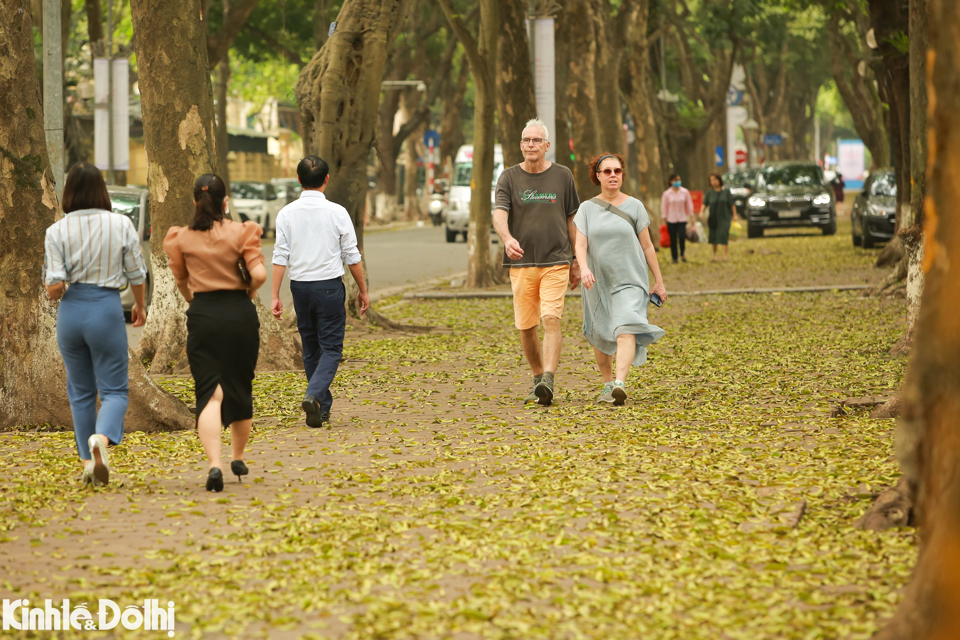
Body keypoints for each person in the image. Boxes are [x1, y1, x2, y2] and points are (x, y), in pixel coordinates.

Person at [43, 162, 149, 487]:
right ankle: (101, 438)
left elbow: (52, 287)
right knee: (115, 389)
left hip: (71, 311)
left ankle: (89, 462)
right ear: (102, 190)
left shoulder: (56, 230)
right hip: (105, 307)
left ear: (68, 193)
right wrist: (140, 306)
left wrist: (60, 287)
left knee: (80, 392)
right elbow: (137, 273)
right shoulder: (121, 224)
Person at [163, 174, 266, 492]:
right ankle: (237, 456)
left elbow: (181, 280)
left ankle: (214, 465)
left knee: (210, 392)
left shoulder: (181, 237)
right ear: (225, 202)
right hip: (239, 314)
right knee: (239, 386)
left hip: (204, 316)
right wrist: (246, 293)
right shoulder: (241, 231)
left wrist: (196, 302)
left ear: (196, 201)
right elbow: (260, 274)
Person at [270, 156, 369, 428]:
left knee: (311, 349)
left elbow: (281, 256)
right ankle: (313, 395)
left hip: (300, 288)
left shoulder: (286, 213)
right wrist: (362, 290)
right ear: (326, 179)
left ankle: (321, 407)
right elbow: (352, 255)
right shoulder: (337, 212)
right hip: (328, 288)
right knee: (332, 349)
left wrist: (275, 295)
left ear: (299, 180)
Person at [493, 117, 581, 406]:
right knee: (527, 326)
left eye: (536, 140)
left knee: (551, 318)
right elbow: (499, 214)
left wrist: (577, 259)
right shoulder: (508, 177)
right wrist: (507, 239)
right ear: (521, 145)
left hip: (556, 260)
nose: (531, 145)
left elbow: (572, 219)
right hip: (521, 264)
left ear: (547, 145)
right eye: (526, 140)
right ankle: (537, 379)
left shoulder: (563, 175)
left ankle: (549, 380)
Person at [575, 154, 667, 405]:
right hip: (597, 281)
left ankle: (619, 383)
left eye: (617, 171)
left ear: (622, 174)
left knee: (626, 326)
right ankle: (607, 384)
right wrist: (583, 268)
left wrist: (658, 280)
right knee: (600, 330)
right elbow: (580, 244)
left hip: (630, 279)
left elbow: (647, 246)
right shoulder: (586, 208)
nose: (613, 175)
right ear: (598, 176)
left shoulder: (635, 206)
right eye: (607, 171)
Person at [700, 173, 737, 262]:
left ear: (719, 180)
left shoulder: (726, 192)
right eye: (711, 180)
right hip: (713, 218)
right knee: (713, 237)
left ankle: (725, 256)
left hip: (724, 217)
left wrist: (734, 215)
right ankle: (715, 256)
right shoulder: (709, 193)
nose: (713, 182)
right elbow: (704, 204)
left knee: (724, 235)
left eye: (714, 179)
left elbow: (732, 204)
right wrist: (701, 212)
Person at [660, 173, 694, 263]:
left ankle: (682, 254)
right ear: (671, 182)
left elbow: (689, 205)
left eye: (679, 180)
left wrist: (692, 217)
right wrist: (664, 220)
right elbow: (664, 207)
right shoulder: (667, 194)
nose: (677, 182)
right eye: (675, 180)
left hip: (682, 219)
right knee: (673, 238)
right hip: (671, 219)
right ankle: (674, 257)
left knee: (682, 237)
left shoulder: (685, 192)